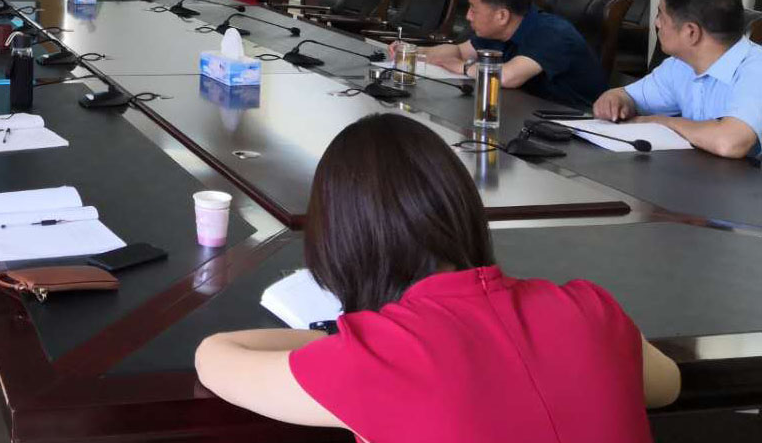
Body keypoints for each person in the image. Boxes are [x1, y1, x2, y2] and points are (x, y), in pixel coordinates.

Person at [194, 113, 680, 441]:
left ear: (342, 242)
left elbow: (213, 356)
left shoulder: (377, 359)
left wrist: (339, 337)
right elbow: (668, 384)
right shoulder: (589, 308)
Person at [594, 0, 762, 159]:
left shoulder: (756, 69)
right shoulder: (681, 65)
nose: (657, 23)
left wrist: (661, 122)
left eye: (661, 16)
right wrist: (615, 100)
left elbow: (730, 142)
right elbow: (628, 96)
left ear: (691, 32)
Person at [401, 0, 607, 108]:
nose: (468, 16)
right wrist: (413, 51)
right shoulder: (496, 30)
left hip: (577, 124)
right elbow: (459, 51)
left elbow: (507, 76)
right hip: (528, 112)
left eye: (473, 9)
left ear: (501, 16)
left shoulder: (552, 32)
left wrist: (462, 67)